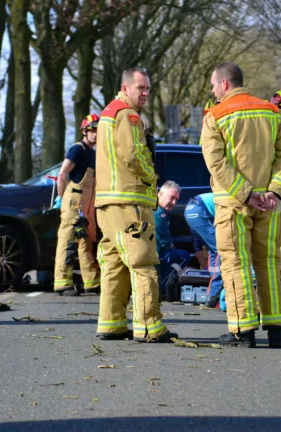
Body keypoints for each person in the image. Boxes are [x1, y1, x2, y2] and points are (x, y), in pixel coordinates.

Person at [200, 62, 281, 348]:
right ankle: (277, 329)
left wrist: (244, 193)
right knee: (270, 262)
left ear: (225, 84)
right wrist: (275, 192)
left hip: (233, 203)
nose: (213, 91)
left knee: (235, 264)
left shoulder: (215, 116)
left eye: (214, 86)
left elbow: (216, 163)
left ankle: (243, 330)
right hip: (268, 203)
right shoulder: (272, 111)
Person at [94, 67, 177, 343]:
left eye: (148, 89)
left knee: (114, 264)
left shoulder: (108, 113)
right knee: (143, 263)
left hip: (107, 202)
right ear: (125, 87)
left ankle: (112, 323)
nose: (145, 93)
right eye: (140, 88)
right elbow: (133, 153)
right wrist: (151, 176)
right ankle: (149, 326)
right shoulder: (127, 115)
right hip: (130, 200)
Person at [53, 114, 101, 296]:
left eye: (98, 131)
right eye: (92, 130)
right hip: (74, 201)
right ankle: (62, 283)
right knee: (68, 241)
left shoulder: (93, 153)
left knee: (86, 241)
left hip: (87, 204)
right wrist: (60, 198)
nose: (95, 134)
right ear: (85, 132)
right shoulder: (77, 150)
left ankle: (91, 282)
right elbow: (63, 174)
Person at [184, 192, 223, 308]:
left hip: (190, 210)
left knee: (213, 249)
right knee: (223, 249)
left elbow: (197, 245)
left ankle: (211, 294)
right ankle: (213, 295)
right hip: (201, 210)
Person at [155, 181, 191, 297]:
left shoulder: (152, 209)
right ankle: (162, 285)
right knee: (183, 256)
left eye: (176, 199)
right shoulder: (159, 214)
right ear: (160, 194)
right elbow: (165, 241)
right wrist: (172, 249)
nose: (174, 202)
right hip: (155, 256)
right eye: (171, 198)